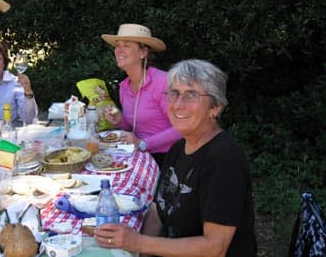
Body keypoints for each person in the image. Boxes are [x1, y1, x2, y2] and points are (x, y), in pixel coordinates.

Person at [94, 59, 257, 256]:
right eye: (174, 93)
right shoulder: (178, 148)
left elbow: (215, 247)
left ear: (215, 108)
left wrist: (138, 244)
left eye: (191, 95)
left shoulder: (225, 160)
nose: (178, 104)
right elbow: (157, 211)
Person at [101, 23, 181, 166]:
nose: (119, 50)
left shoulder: (163, 82)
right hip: (139, 155)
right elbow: (131, 128)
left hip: (168, 158)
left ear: (143, 52)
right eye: (117, 45)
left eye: (126, 45)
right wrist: (119, 119)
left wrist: (143, 143)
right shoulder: (124, 86)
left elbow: (182, 128)